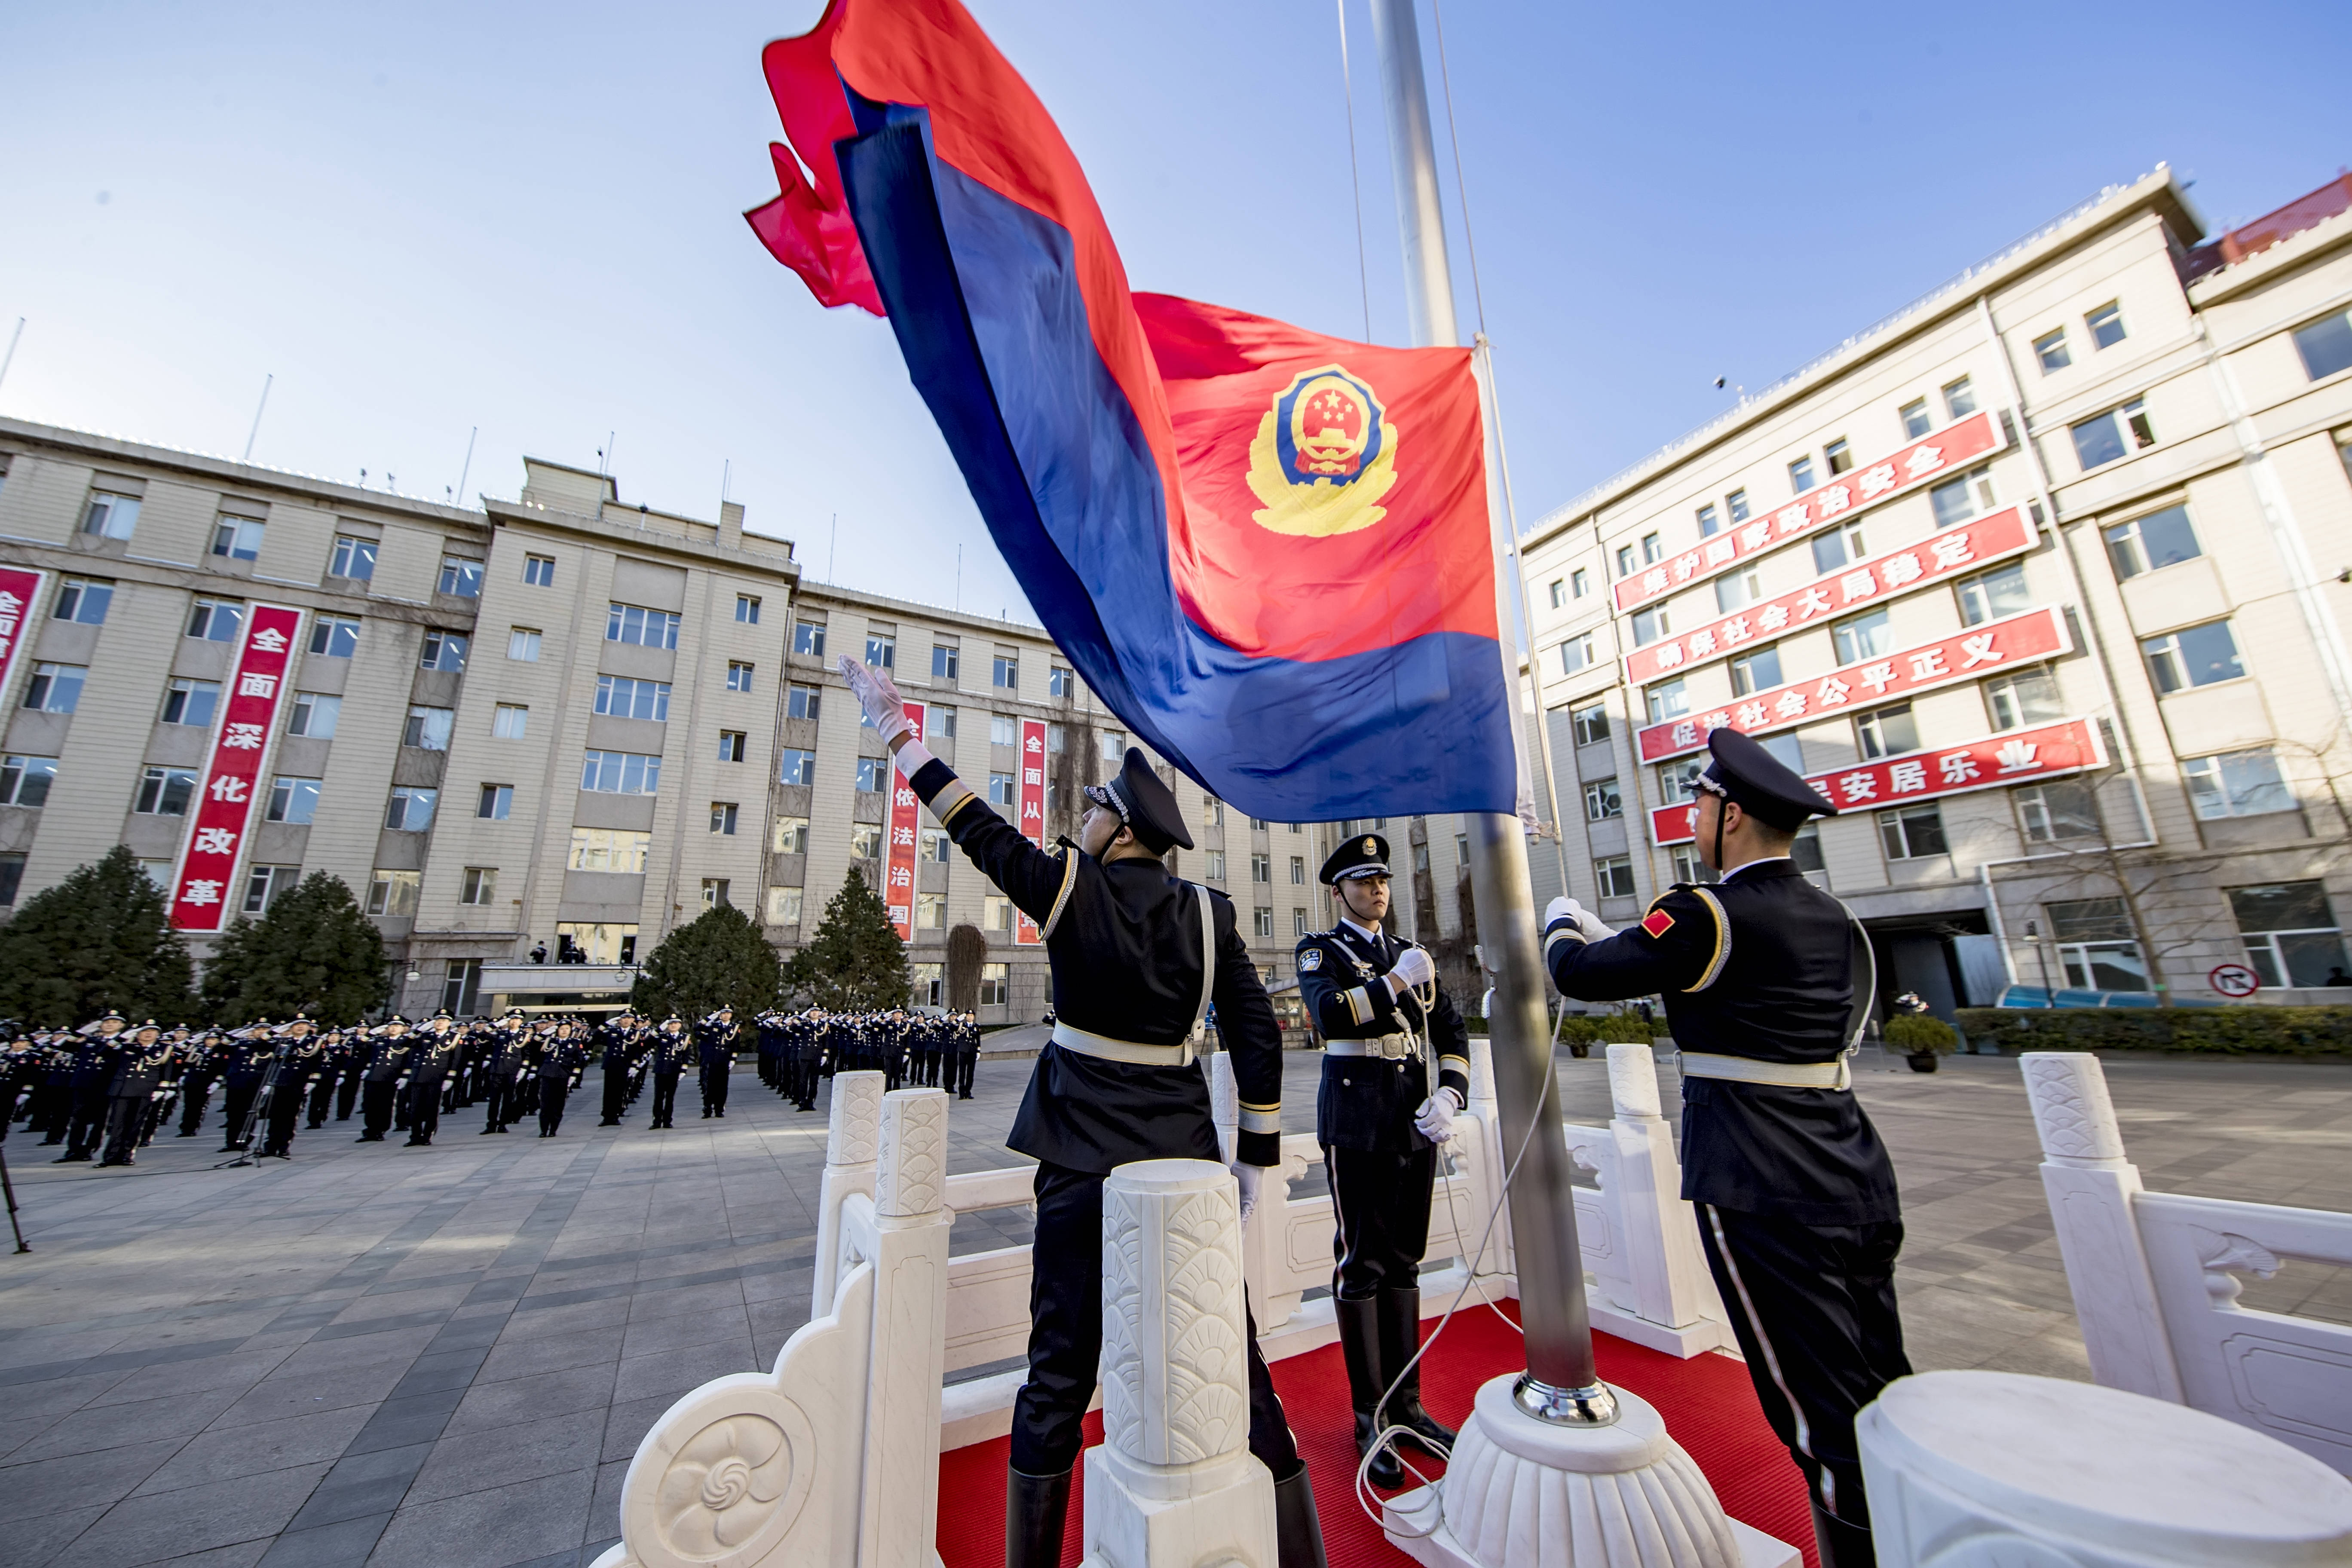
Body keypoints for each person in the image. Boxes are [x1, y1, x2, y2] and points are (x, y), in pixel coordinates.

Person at [839, 654, 1324, 1568]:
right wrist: (1255, 1155)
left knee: (1058, 1372)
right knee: (1235, 1360)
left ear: (1123, 828)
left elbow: (974, 828)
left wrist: (899, 732)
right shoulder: (1212, 916)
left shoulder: (1072, 888)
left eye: (1097, 808)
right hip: (1183, 1162)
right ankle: (1303, 1554)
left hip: (1078, 1158)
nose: (1085, 819)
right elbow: (1258, 1040)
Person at [1542, 728, 1903, 1568]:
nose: (1692, 819)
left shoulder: (1706, 912)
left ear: (1731, 817)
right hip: (1851, 1165)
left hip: (1758, 1177)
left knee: (1813, 1413)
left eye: (1700, 804)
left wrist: (1565, 925)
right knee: (1882, 1385)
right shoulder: (1837, 915)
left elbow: (1583, 976)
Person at [1294, 833, 1469, 1488]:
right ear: (1339, 890)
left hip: (1415, 1117)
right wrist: (1394, 983)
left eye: (1383, 881)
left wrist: (1451, 1093)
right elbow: (1330, 1016)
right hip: (1357, 1119)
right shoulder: (1322, 949)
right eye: (1364, 881)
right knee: (1362, 1262)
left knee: (1405, 1262)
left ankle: (1408, 1403)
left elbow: (1447, 1030)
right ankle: (1369, 1413)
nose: (1378, 891)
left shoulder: (1409, 953)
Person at [648, 1017, 691, 1129]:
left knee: (670, 1098)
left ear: (680, 1025)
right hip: (661, 1070)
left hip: (674, 1070)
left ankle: (667, 1121)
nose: (673, 1025)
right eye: (671, 1024)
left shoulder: (685, 1038)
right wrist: (660, 1029)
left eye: (676, 1023)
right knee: (658, 1097)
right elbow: (648, 1041)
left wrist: (684, 1070)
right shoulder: (662, 1036)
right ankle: (657, 1121)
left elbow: (685, 1056)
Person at [695, 1008, 735, 1118]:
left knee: (723, 1086)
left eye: (728, 1014)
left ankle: (719, 1109)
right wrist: (709, 1018)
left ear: (731, 1015)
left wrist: (733, 1060)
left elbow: (735, 1045)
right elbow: (698, 1029)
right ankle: (707, 1109)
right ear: (720, 1015)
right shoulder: (714, 1025)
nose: (725, 1016)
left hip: (724, 1060)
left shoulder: (734, 1028)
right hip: (713, 1059)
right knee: (710, 1086)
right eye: (723, 1014)